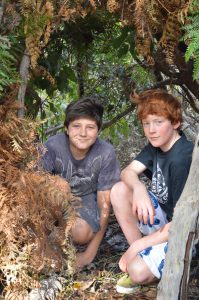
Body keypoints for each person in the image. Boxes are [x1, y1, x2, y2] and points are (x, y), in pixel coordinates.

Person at [110, 89, 193, 294]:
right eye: (146, 123)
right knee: (120, 190)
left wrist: (135, 249)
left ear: (175, 123)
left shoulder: (183, 158)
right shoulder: (156, 145)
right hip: (166, 219)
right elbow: (128, 172)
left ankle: (144, 254)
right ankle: (142, 251)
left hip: (188, 230)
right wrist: (139, 188)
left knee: (136, 271)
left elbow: (182, 222)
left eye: (158, 122)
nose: (151, 130)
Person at [41, 97, 120, 268]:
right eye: (76, 126)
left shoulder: (106, 153)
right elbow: (32, 186)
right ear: (67, 129)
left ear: (98, 130)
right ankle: (46, 244)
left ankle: (62, 240)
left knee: (81, 232)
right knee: (59, 185)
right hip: (54, 199)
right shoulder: (52, 146)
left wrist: (88, 255)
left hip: (85, 199)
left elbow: (104, 204)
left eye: (90, 127)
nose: (83, 133)